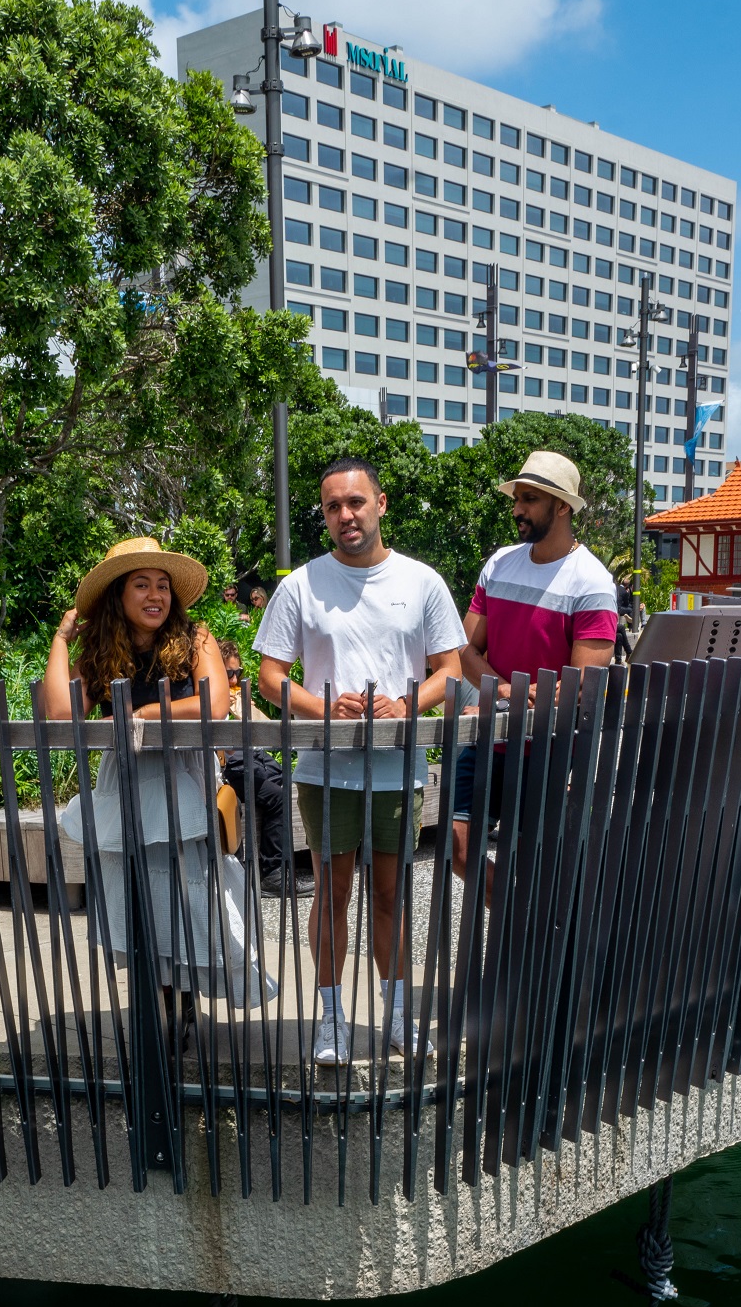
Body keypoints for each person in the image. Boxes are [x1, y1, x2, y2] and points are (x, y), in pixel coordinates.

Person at [254, 455, 465, 1063]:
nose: (345, 515)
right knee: (331, 894)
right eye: (332, 507)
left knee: (392, 894)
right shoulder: (301, 584)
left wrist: (405, 704)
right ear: (323, 515)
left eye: (355, 502)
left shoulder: (422, 582)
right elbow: (271, 677)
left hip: (398, 769)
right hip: (325, 770)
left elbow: (448, 672)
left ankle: (397, 1016)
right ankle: (331, 1018)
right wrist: (322, 708)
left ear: (380, 504)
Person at [44, 537, 268, 1002]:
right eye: (141, 585)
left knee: (192, 889)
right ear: (119, 596)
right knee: (139, 891)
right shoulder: (101, 650)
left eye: (163, 586)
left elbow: (216, 702)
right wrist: (62, 639)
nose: (155, 596)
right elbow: (63, 716)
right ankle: (161, 997)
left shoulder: (196, 637)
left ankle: (185, 994)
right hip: (126, 780)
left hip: (183, 775)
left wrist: (140, 714)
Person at [452, 450, 618, 890]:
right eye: (517, 498)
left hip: (546, 750)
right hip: (491, 736)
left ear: (562, 506)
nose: (517, 509)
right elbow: (465, 651)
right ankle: (514, 923)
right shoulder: (500, 563)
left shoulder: (592, 581)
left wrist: (515, 697)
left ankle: (518, 941)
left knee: (531, 869)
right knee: (458, 849)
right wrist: (506, 690)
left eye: (529, 499)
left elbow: (582, 685)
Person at [219, 641, 286, 895]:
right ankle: (272, 874)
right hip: (230, 765)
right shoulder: (215, 700)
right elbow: (226, 751)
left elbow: (265, 733)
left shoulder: (235, 696)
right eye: (228, 674)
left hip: (250, 758)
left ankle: (275, 862)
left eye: (239, 672)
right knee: (277, 798)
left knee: (282, 776)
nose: (235, 678)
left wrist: (247, 710)